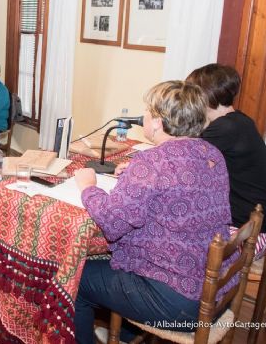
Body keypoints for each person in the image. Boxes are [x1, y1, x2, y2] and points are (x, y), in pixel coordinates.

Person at [73, 80, 235, 344]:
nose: (145, 115)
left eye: (148, 111)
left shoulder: (153, 163)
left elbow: (112, 223)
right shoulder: (211, 153)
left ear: (158, 122)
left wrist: (88, 187)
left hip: (180, 304)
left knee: (75, 278)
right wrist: (135, 174)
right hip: (212, 289)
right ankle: (126, 334)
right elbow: (177, 190)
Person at [187, 64, 266, 257]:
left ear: (205, 95)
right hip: (257, 224)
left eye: (192, 94)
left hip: (248, 235)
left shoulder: (225, 128)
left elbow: (183, 164)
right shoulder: (238, 121)